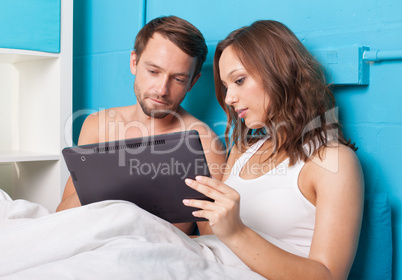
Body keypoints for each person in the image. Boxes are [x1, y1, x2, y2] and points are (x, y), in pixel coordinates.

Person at [183, 20, 364, 279]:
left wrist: (237, 232)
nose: (229, 98)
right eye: (226, 86)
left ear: (278, 72)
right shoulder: (241, 151)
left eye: (239, 80)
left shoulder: (332, 160)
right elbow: (215, 242)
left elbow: (330, 275)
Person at [56, 16, 226, 235]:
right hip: (92, 243)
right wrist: (110, 180)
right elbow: (60, 216)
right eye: (153, 71)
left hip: (154, 256)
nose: (162, 89)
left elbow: (212, 239)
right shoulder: (97, 125)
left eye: (178, 79)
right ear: (134, 62)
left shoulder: (204, 143)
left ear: (193, 82)